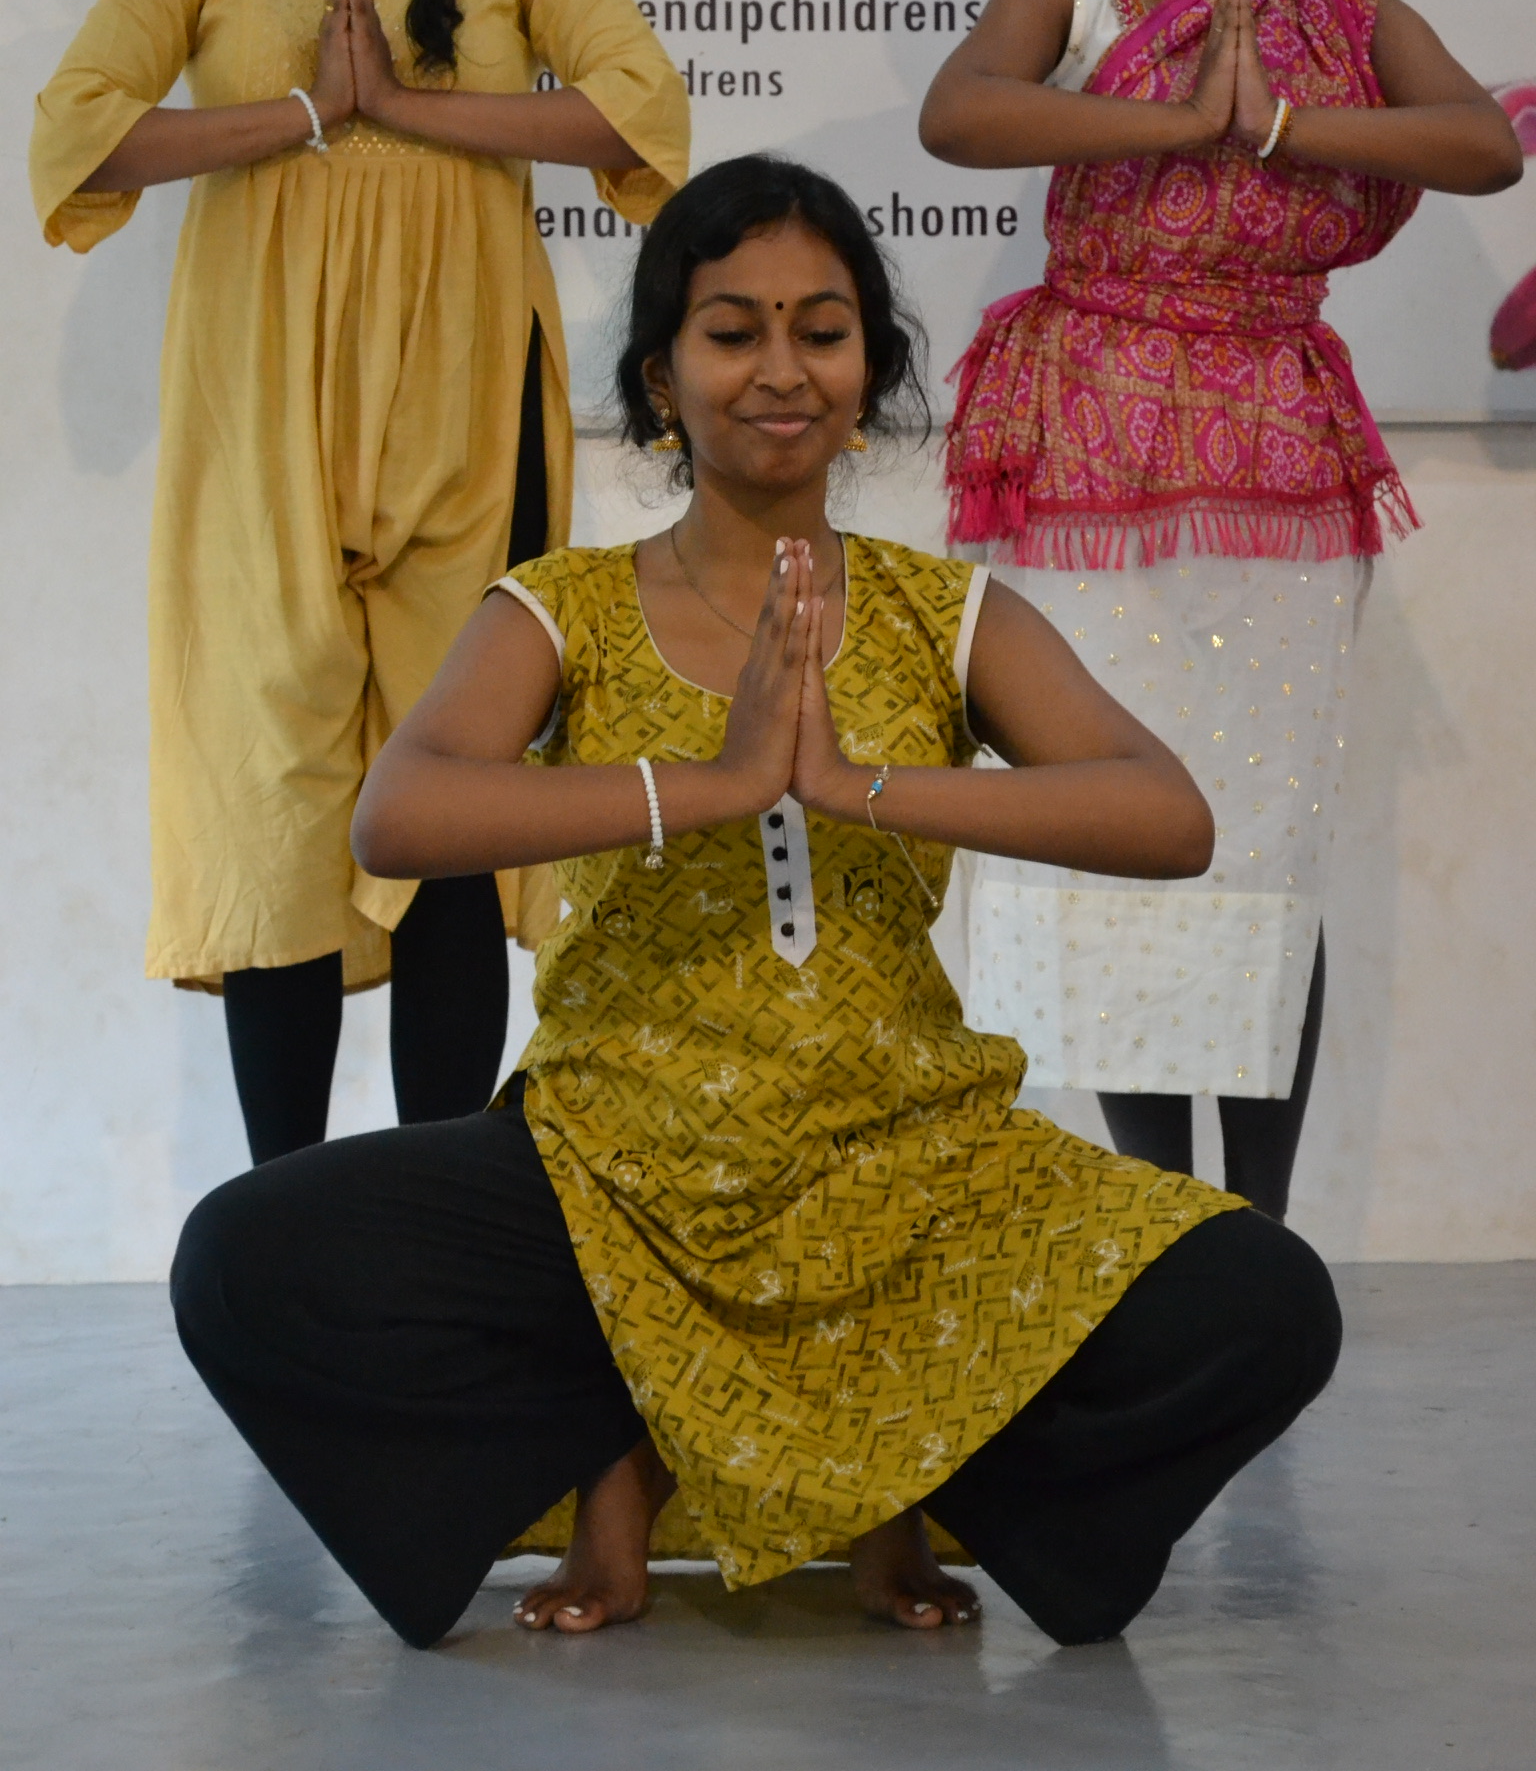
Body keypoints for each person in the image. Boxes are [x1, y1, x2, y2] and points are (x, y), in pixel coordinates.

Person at [170, 155, 1341, 1653]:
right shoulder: (563, 604)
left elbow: (1167, 817)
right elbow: (401, 812)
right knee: (245, 1262)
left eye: (822, 330)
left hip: (907, 1157)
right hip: (608, 1160)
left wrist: (858, 784)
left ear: (870, 373)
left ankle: (900, 1464)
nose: (782, 370)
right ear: (663, 378)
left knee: (1266, 1300)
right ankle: (618, 1456)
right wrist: (712, 784)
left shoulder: (942, 609)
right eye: (733, 332)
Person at [30, 0, 689, 1163]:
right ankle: (288, 1223)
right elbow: (79, 137)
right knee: (272, 804)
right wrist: (309, 114)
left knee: (451, 804)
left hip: (469, 417)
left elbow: (640, 113)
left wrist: (398, 99)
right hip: (261, 422)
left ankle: (426, 1219)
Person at [920, 0, 1521, 1218]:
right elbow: (959, 117)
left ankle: (1259, 1237)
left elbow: (1484, 146)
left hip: (1277, 475)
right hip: (1087, 462)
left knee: (1261, 855)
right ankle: (1161, 1229)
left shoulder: (1343, 14)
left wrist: (1277, 130)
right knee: (1113, 836)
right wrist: (1175, 121)